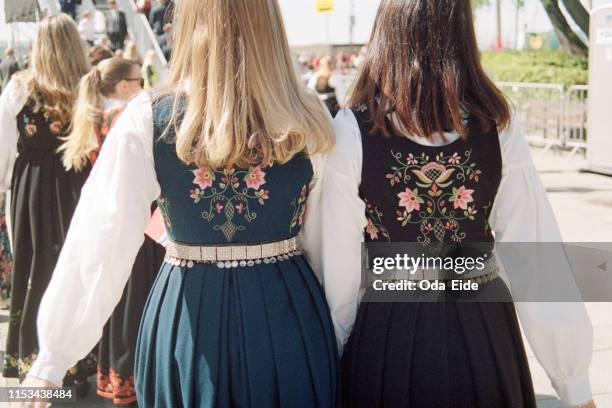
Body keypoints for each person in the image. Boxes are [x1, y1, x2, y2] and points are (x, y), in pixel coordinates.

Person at [24, 1, 338, 407]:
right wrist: (340, 331)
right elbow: (331, 244)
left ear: (189, 24)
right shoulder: (312, 115)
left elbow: (101, 240)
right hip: (288, 311)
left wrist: (51, 362)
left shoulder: (148, 116)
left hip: (187, 312)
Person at [322, 1, 595, 408]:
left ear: (386, 32)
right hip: (483, 331)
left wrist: (336, 354)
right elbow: (536, 259)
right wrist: (574, 386)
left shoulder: (351, 130)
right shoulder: (497, 127)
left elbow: (338, 271)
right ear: (462, 34)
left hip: (387, 334)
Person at [0, 14, 96, 396]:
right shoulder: (89, 86)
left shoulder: (20, 87)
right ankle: (75, 364)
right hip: (78, 178)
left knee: (33, 263)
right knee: (73, 267)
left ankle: (31, 359)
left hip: (33, 183)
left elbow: (5, 144)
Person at [59, 57, 162, 406]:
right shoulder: (122, 117)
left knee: (117, 303)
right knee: (135, 306)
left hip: (112, 220)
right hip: (139, 225)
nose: (144, 87)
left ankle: (117, 383)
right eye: (140, 80)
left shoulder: (94, 115)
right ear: (124, 85)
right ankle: (135, 382)